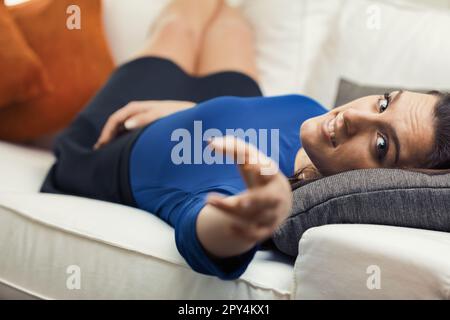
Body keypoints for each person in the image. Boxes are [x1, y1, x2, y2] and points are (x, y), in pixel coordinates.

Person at [41, 0, 450, 280]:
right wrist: (190, 111)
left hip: (120, 134)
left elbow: (207, 231)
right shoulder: (315, 127)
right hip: (199, 107)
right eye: (383, 102)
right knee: (229, 21)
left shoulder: (249, 184)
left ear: (387, 181)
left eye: (381, 145)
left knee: (180, 25)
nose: (352, 115)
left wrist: (245, 222)